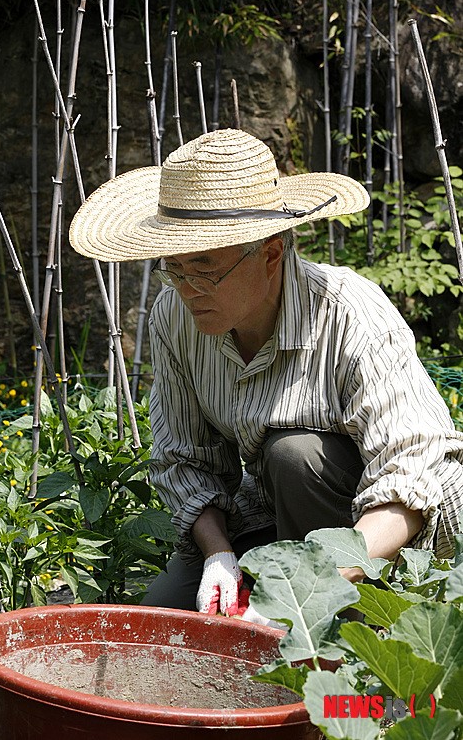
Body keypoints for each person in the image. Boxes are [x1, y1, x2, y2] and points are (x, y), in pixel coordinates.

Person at [70, 128, 463, 620]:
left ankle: (356, 621)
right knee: (168, 620)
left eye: (204, 268)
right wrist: (218, 555)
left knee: (295, 453)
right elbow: (186, 460)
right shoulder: (174, 317)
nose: (188, 289)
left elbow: (412, 478)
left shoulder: (348, 312)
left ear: (271, 253)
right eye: (174, 268)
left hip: (391, 534)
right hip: (271, 512)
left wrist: (311, 592)